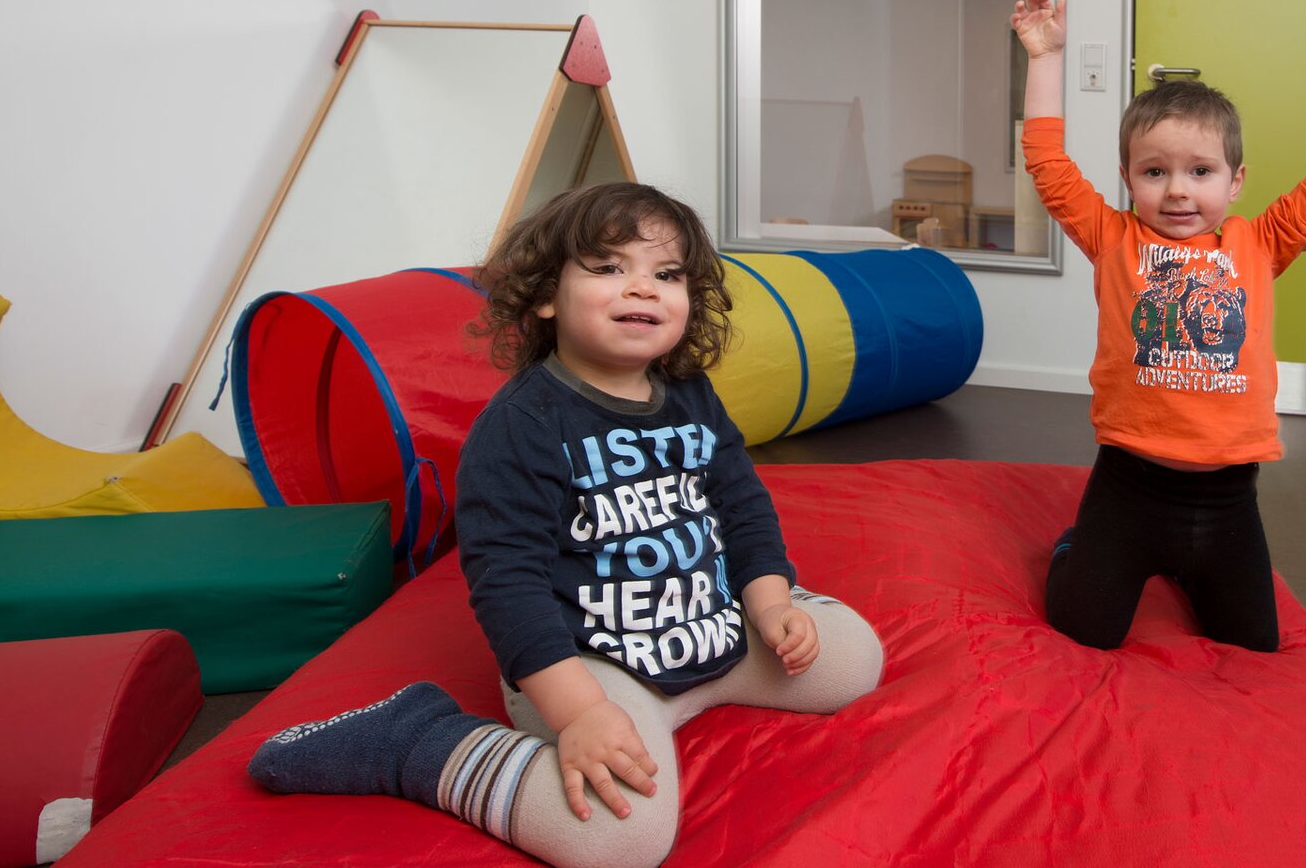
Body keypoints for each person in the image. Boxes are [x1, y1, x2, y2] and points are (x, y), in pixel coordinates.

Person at [247, 183, 885, 868]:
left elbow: (742, 506)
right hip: (593, 660)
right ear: (547, 296)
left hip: (706, 629)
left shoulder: (691, 394)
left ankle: (712, 672)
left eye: (665, 275)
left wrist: (771, 603)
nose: (642, 288)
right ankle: (417, 740)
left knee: (853, 660)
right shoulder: (522, 427)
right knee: (620, 841)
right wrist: (580, 711)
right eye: (609, 268)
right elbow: (507, 586)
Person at [1009, 0, 1306, 653]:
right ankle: (1077, 546)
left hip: (1224, 505)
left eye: (1200, 171)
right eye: (1155, 171)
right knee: (1083, 631)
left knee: (1253, 644)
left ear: (1236, 180)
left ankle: (1188, 572)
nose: (1178, 190)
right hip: (1127, 490)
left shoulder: (1258, 244)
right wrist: (1045, 57)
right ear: (1128, 179)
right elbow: (1049, 168)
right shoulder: (1114, 239)